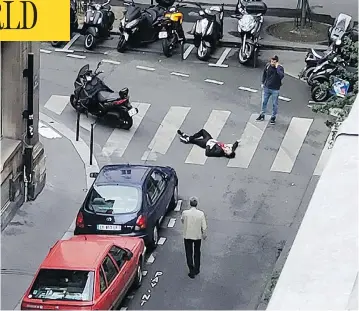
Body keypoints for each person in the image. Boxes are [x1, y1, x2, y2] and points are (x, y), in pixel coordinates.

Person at [181, 196, 207, 279]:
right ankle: (197, 269)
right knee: (197, 252)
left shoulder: (185, 213)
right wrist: (204, 234)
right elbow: (204, 226)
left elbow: (182, 220)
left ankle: (191, 270)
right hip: (197, 236)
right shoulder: (201, 214)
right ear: (197, 204)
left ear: (190, 204)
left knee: (189, 252)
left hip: (187, 235)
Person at [256, 55, 285, 125]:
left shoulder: (280, 68)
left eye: (274, 62)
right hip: (267, 87)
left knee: (274, 104)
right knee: (264, 102)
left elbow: (281, 75)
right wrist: (263, 82)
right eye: (271, 61)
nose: (272, 63)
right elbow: (264, 74)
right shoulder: (268, 66)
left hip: (275, 89)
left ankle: (273, 117)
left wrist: (277, 67)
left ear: (276, 62)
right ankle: (262, 115)